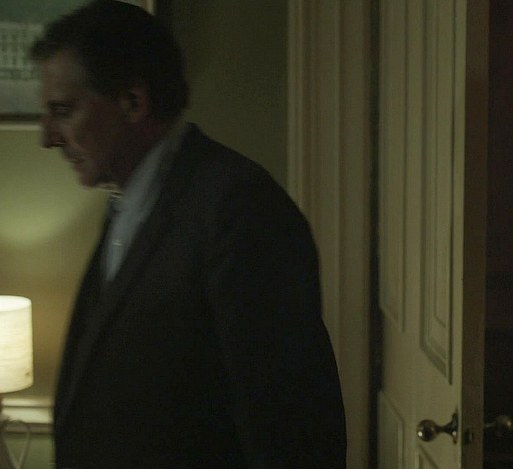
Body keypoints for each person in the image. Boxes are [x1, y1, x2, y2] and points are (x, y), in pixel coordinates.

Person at [31, 1, 346, 467]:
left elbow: (293, 429)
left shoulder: (241, 211)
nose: (47, 137)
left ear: (133, 102)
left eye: (64, 111)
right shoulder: (131, 203)